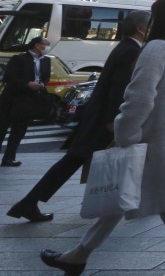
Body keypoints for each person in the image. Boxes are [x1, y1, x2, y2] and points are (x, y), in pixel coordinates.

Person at [39, 0, 165, 276]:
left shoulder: (157, 49)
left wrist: (125, 133)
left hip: (151, 138)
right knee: (122, 194)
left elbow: (138, 99)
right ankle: (78, 256)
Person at [8, 11, 150, 222]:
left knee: (75, 160)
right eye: (151, 24)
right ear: (140, 28)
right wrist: (112, 119)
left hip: (100, 118)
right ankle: (30, 203)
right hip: (104, 120)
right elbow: (117, 88)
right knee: (77, 160)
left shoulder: (127, 48)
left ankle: (29, 203)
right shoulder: (130, 50)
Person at [0, 35, 52, 167]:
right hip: (12, 99)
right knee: (2, 128)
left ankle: (9, 158)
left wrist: (41, 84)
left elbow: (45, 77)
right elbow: (9, 78)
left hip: (30, 100)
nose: (47, 47)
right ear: (37, 45)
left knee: (19, 130)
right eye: (46, 44)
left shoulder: (46, 61)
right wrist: (27, 84)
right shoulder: (19, 59)